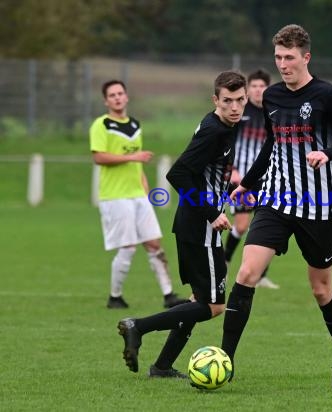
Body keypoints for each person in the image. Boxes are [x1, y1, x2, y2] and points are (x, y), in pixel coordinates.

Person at [221, 24, 332, 390]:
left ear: (306, 57)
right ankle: (225, 361)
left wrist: (328, 153)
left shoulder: (328, 96)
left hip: (319, 207)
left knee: (321, 290)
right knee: (246, 274)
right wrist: (246, 185)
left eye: (289, 57)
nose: (283, 64)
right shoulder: (270, 96)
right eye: (278, 57)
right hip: (275, 200)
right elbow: (271, 147)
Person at [116, 70, 247, 378]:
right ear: (216, 99)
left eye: (239, 100)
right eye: (227, 101)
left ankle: (162, 366)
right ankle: (139, 327)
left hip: (193, 224)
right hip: (201, 227)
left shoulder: (224, 126)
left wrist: (229, 191)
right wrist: (212, 212)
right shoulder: (214, 131)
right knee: (213, 306)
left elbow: (202, 175)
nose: (234, 107)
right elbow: (178, 174)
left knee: (198, 299)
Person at [89, 80, 186, 309]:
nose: (117, 98)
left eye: (120, 93)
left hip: (138, 195)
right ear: (106, 101)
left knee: (154, 243)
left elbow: (138, 165)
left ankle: (169, 295)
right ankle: (115, 296)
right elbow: (99, 157)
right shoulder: (101, 125)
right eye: (112, 95)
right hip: (115, 196)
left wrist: (145, 188)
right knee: (129, 246)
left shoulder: (134, 125)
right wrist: (133, 157)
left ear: (127, 97)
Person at [225, 68, 280, 289]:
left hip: (268, 180)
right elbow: (227, 141)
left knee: (268, 225)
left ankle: (261, 274)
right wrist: (232, 169)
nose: (258, 91)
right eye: (254, 86)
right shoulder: (241, 111)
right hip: (242, 179)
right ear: (249, 90)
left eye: (262, 86)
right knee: (241, 224)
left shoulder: (274, 112)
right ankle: (226, 261)